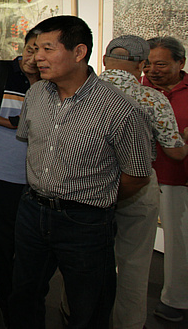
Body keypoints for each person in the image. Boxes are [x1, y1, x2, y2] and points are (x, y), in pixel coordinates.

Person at [9, 16, 151, 329]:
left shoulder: (119, 108)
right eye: (36, 48)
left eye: (48, 48)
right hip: (32, 211)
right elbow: (30, 144)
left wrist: (95, 199)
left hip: (85, 222)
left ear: (79, 52)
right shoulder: (35, 95)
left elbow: (137, 175)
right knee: (23, 295)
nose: (37, 57)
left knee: (88, 307)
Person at [88, 35, 187, 329]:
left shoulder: (80, 92)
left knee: (86, 258)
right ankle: (129, 323)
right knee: (134, 261)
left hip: (88, 183)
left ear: (104, 60)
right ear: (141, 65)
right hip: (139, 183)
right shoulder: (151, 98)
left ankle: (78, 314)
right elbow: (176, 152)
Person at [0, 30, 40, 326]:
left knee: (34, 242)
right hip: (1, 169)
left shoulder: (51, 79)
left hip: (41, 175)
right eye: (31, 49)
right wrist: (9, 123)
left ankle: (28, 297)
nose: (34, 57)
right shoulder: (0, 71)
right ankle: (7, 299)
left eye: (42, 51)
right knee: (4, 240)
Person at [142, 36, 188, 323]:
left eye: (160, 64)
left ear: (180, 62)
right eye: (148, 64)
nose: (152, 70)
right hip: (140, 177)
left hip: (178, 177)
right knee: (132, 239)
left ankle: (176, 300)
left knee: (178, 241)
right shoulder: (138, 89)